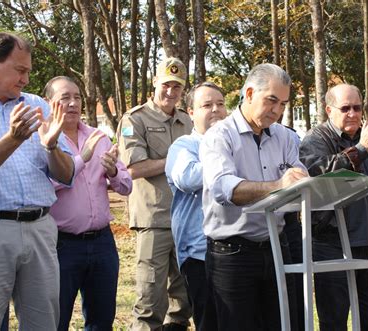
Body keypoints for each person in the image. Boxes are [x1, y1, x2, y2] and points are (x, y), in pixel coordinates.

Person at [200, 63, 309, 330]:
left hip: (276, 247)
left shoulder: (285, 137)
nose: (277, 111)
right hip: (233, 254)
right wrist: (279, 185)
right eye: (271, 100)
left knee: (283, 323)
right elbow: (225, 189)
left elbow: (298, 173)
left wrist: (300, 180)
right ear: (249, 94)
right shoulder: (219, 136)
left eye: (283, 104)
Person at [0, 32, 74, 329]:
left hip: (40, 230)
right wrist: (12, 139)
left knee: (43, 321)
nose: (25, 80)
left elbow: (67, 173)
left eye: (28, 72)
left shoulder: (39, 106)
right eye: (19, 70)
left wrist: (51, 146)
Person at [298, 84, 368, 331]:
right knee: (334, 318)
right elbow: (321, 176)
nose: (352, 114)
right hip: (331, 243)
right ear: (329, 110)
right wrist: (361, 150)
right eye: (345, 108)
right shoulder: (316, 139)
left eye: (357, 108)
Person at [43, 76, 133, 330]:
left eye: (77, 97)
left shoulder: (98, 136)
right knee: (56, 318)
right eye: (64, 98)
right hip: (62, 245)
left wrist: (114, 172)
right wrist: (80, 161)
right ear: (49, 103)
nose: (73, 103)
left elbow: (126, 186)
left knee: (102, 318)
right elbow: (44, 188)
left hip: (103, 242)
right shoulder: (44, 140)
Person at [117, 57, 192, 331]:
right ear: (155, 83)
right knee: (150, 298)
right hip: (154, 220)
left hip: (186, 220)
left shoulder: (187, 121)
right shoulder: (134, 119)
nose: (171, 92)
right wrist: (177, 160)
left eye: (177, 87)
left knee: (185, 297)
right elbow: (135, 167)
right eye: (166, 85)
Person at [165, 82, 226, 330]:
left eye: (221, 104)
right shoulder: (184, 147)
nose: (216, 110)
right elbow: (187, 178)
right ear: (191, 113)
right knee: (209, 321)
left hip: (236, 249)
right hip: (199, 252)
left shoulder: (235, 144)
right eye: (207, 105)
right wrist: (226, 160)